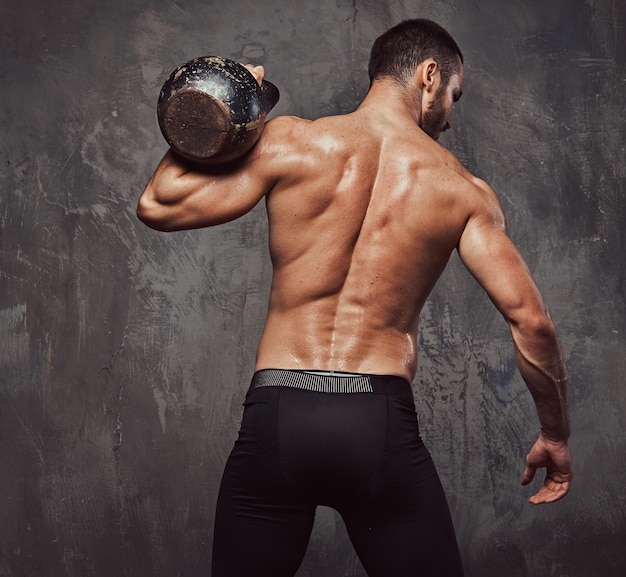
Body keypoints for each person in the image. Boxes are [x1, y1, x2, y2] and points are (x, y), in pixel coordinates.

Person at [137, 18, 572, 577]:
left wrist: (223, 108)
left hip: (278, 414)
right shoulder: (462, 190)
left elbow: (158, 203)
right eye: (453, 98)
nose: (450, 117)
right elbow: (532, 322)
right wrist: (555, 433)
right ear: (429, 75)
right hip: (376, 420)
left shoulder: (294, 141)